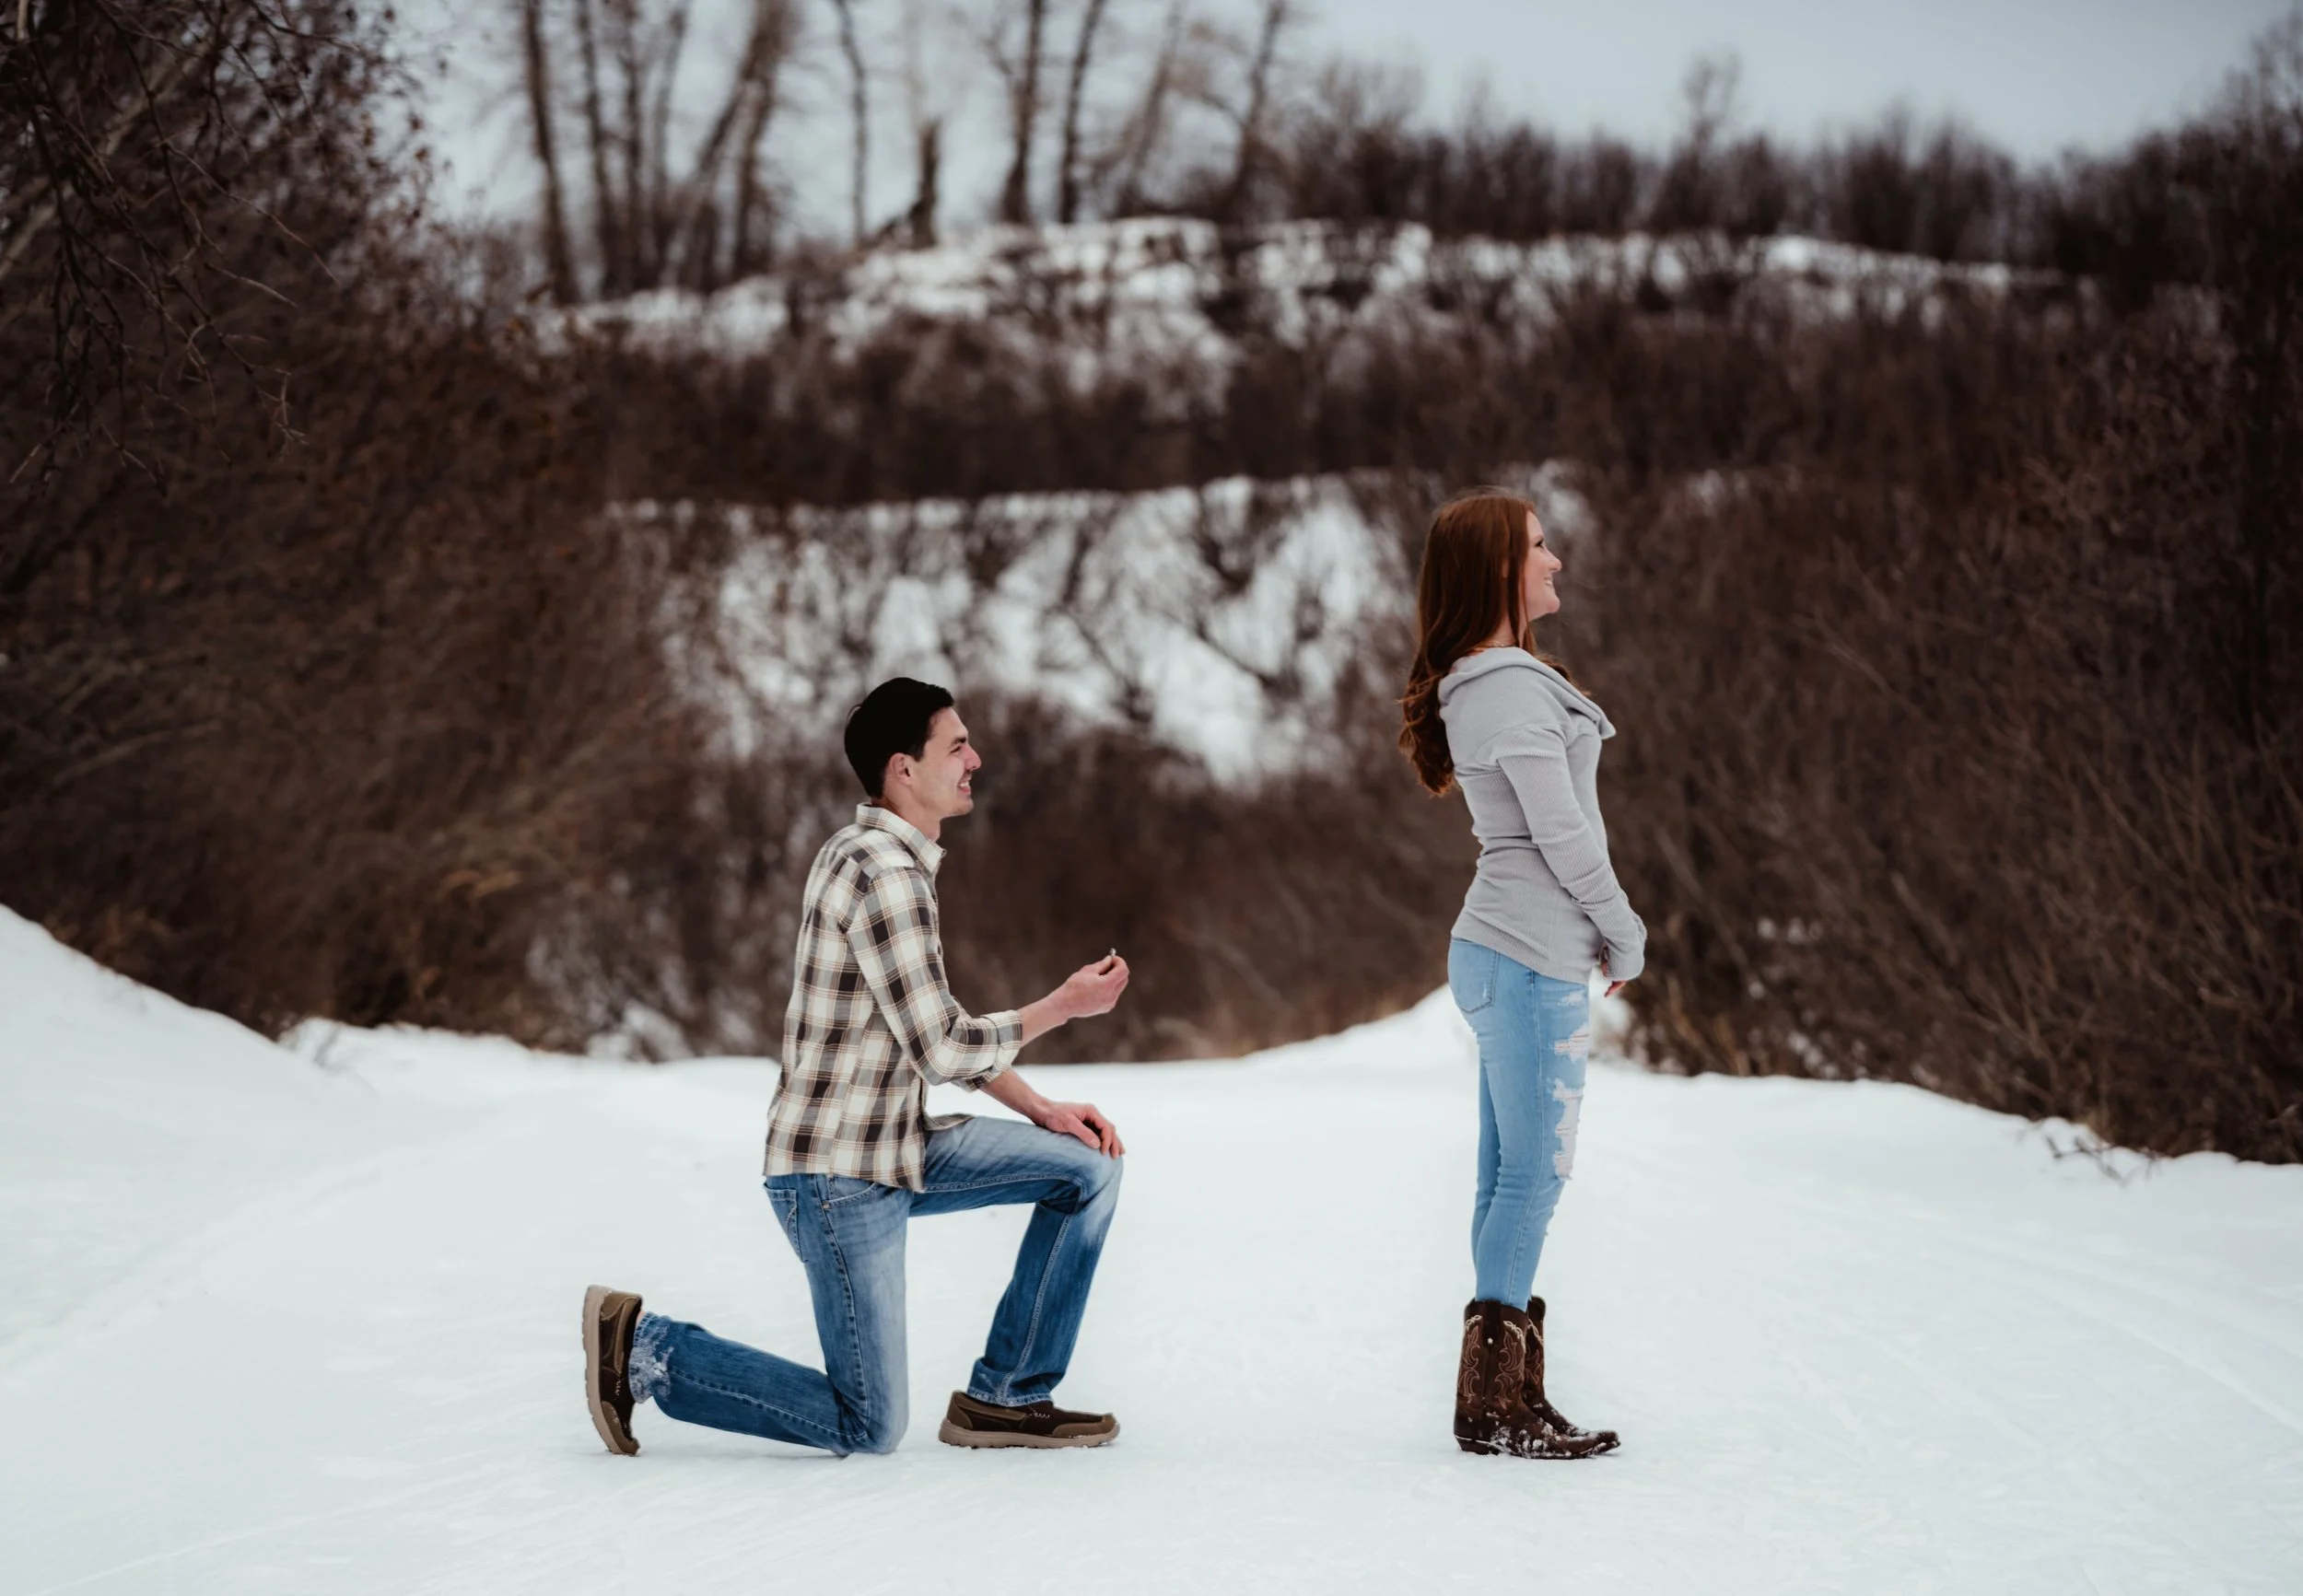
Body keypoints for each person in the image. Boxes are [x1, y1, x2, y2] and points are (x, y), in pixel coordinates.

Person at [581, 677, 1132, 1456]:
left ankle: (1007, 1397)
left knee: (1087, 1169)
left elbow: (922, 1025)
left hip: (893, 1146)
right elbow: (941, 1046)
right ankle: (647, 1348)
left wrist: (1040, 1108)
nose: (975, 758)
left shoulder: (875, 855)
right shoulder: (886, 872)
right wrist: (1062, 1006)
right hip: (837, 1178)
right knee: (868, 1423)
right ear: (904, 769)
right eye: (957, 745)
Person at [1397, 487, 1642, 1461]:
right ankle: (1495, 1404)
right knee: (1532, 1175)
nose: (1554, 561)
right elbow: (1559, 831)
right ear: (1499, 565)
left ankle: (1504, 1397)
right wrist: (1621, 928)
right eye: (1538, 546)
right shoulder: (1501, 685)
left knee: (1509, 1174)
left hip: (1512, 948)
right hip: (1528, 952)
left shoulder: (1498, 678)